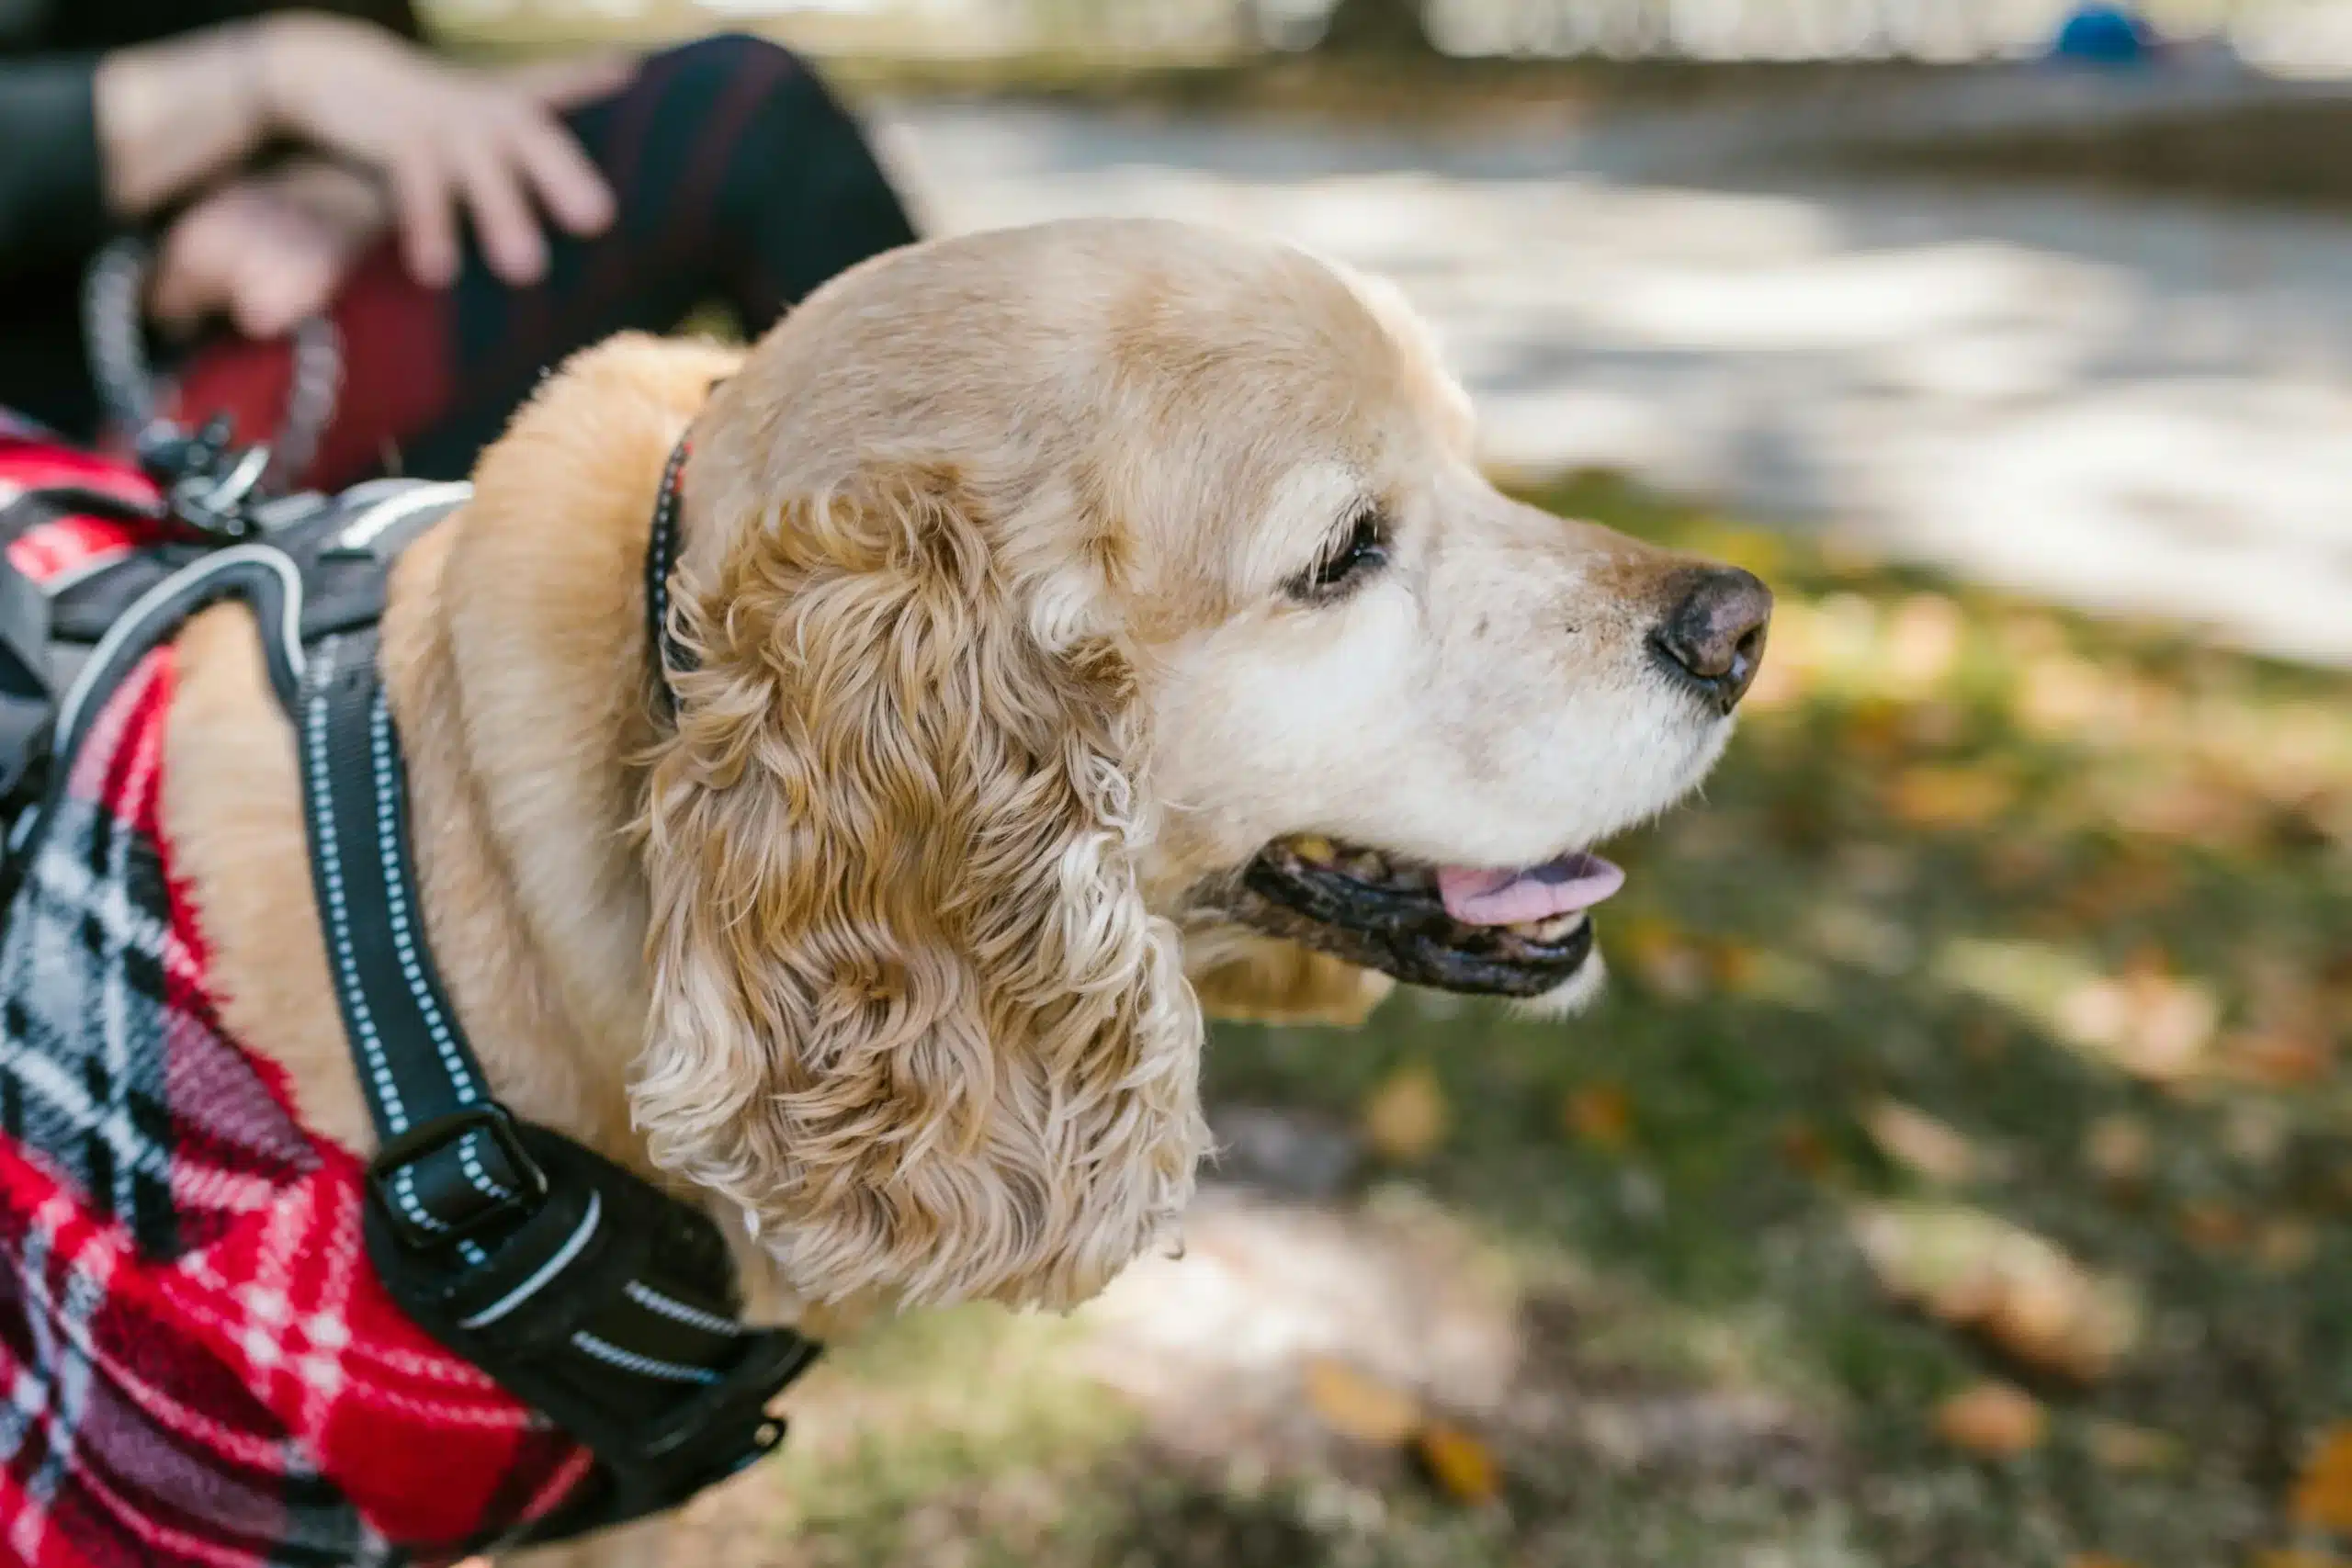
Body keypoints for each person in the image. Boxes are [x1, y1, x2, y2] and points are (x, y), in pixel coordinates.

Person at [0, 3, 919, 491]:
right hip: (70, 431)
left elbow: (368, 70)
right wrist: (264, 77)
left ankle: (972, 643)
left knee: (745, 122)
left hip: (290, 314)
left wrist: (354, 173)